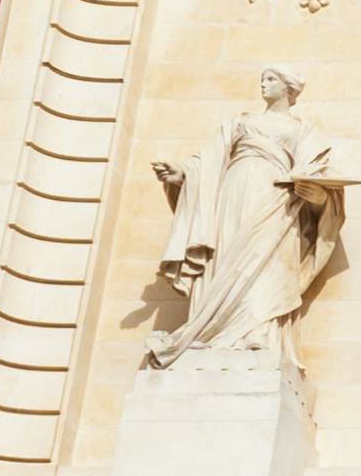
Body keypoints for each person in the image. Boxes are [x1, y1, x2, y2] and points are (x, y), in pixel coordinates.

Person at [149, 68, 348, 365]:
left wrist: (315, 195)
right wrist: (182, 174)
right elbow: (208, 162)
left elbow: (320, 180)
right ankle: (213, 332)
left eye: (271, 80)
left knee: (269, 263)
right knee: (228, 256)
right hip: (233, 196)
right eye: (263, 79)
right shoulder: (241, 122)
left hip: (278, 201)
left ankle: (258, 332)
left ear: (289, 88)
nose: (263, 84)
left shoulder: (303, 130)